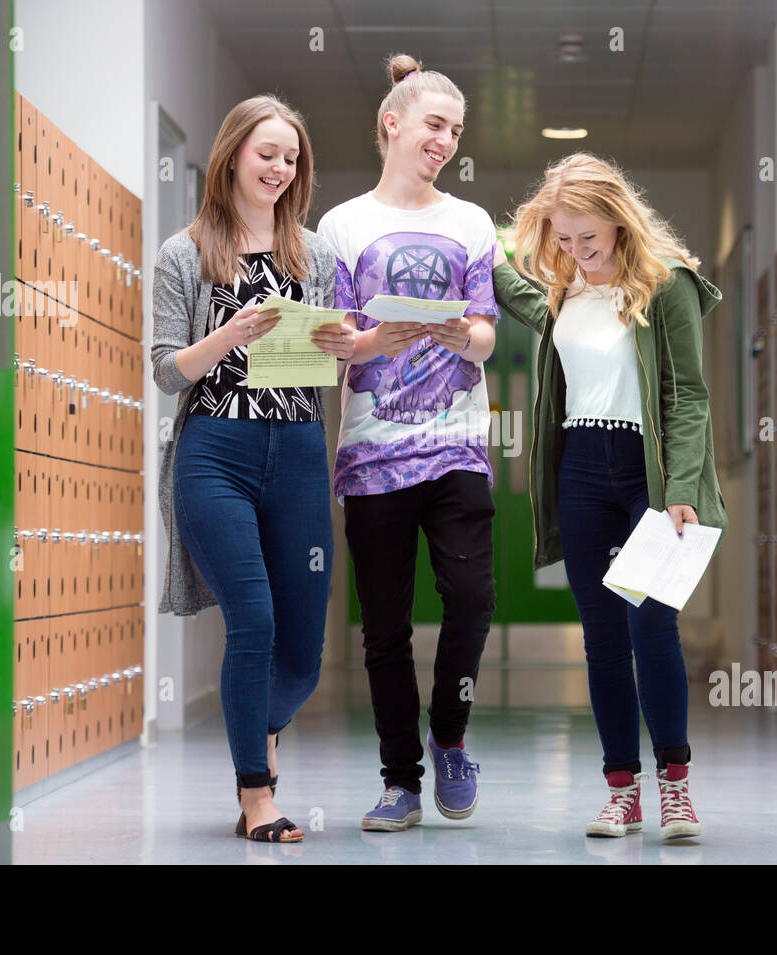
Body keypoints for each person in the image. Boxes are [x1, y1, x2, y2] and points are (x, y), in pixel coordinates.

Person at [490, 152, 726, 840]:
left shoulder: (667, 284)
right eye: (563, 240)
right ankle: (621, 792)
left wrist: (682, 486)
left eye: (588, 239)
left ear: (620, 223)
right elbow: (516, 289)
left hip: (648, 475)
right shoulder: (563, 294)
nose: (577, 253)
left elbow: (688, 396)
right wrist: (471, 233)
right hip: (583, 469)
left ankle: (675, 789)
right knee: (601, 638)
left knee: (651, 625)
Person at [151, 95, 354, 843]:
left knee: (302, 653)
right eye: (267, 153)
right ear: (232, 154)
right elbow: (165, 372)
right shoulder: (185, 253)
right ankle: (257, 795)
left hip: (298, 449)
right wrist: (229, 333)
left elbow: (325, 356)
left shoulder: (315, 255)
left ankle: (259, 730)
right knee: (256, 623)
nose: (279, 168)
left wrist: (347, 344)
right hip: (215, 454)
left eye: (292, 158)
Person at [316, 54, 499, 832]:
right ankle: (401, 781)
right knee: (384, 626)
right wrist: (373, 340)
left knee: (471, 600)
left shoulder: (473, 223)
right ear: (392, 123)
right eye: (435, 124)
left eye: (455, 131)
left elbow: (488, 333)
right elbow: (328, 343)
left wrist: (466, 335)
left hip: (457, 443)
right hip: (373, 452)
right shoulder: (341, 226)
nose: (446, 141)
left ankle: (450, 735)